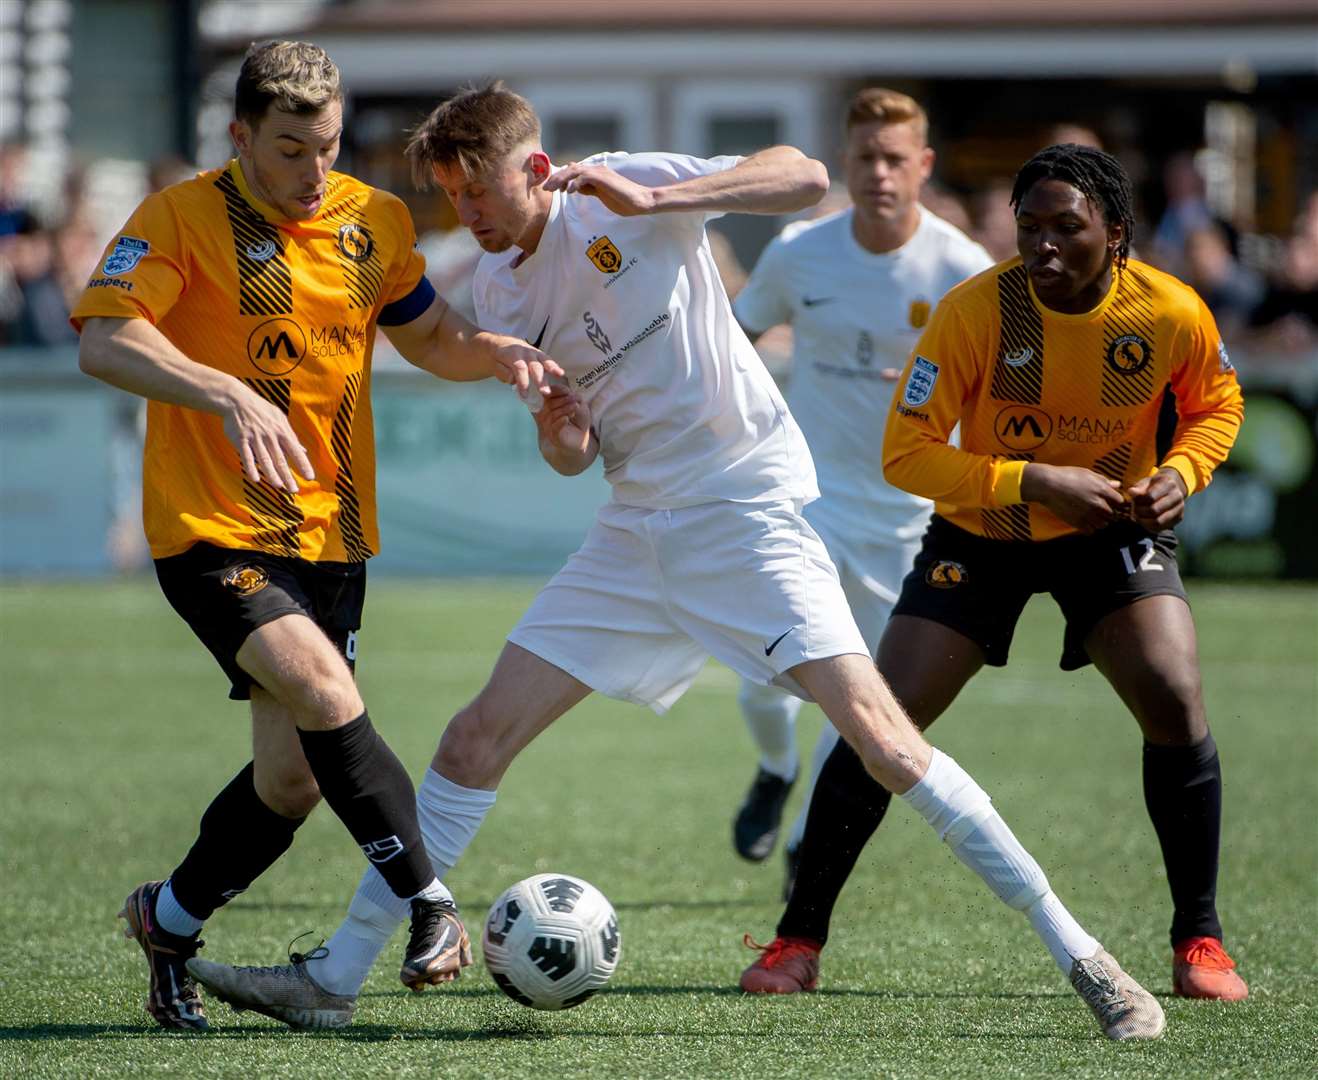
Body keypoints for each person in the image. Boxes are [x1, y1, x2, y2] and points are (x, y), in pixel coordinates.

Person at [188, 85, 1164, 1041]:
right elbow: (570, 454)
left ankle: (1086, 958)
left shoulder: (622, 187)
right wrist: (562, 427)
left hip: (744, 509)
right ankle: (335, 978)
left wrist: (664, 200)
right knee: (470, 741)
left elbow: (799, 175)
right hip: (635, 526)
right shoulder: (494, 290)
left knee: (885, 741)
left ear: (534, 167)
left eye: (477, 190)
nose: (467, 215)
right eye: (451, 196)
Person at [71, 43, 559, 1032]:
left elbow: (427, 334)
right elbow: (103, 335)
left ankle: (168, 923)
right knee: (330, 693)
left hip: (331, 534)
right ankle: (431, 907)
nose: (312, 172)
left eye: (326, 148)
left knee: (289, 778)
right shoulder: (178, 217)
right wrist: (221, 392)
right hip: (211, 529)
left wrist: (492, 353)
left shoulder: (370, 220)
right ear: (240, 135)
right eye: (290, 150)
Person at [738, 144, 1248, 1006]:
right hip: (984, 532)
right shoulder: (975, 311)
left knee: (1172, 693)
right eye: (1029, 227)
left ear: (1117, 233)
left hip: (1111, 532)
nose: (1043, 246)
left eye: (1067, 227)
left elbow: (1215, 405)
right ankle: (797, 938)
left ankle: (1199, 938)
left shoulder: (1171, 311)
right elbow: (907, 451)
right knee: (882, 723)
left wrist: (1182, 472)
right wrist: (1032, 478)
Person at [728, 88, 992, 896]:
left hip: (908, 525)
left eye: (894, 158)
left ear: (923, 166)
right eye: (864, 158)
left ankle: (806, 840)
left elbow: (997, 400)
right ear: (845, 163)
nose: (878, 173)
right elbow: (733, 341)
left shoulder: (964, 274)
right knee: (759, 676)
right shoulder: (799, 251)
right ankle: (775, 768)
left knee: (868, 707)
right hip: (802, 502)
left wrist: (935, 391)